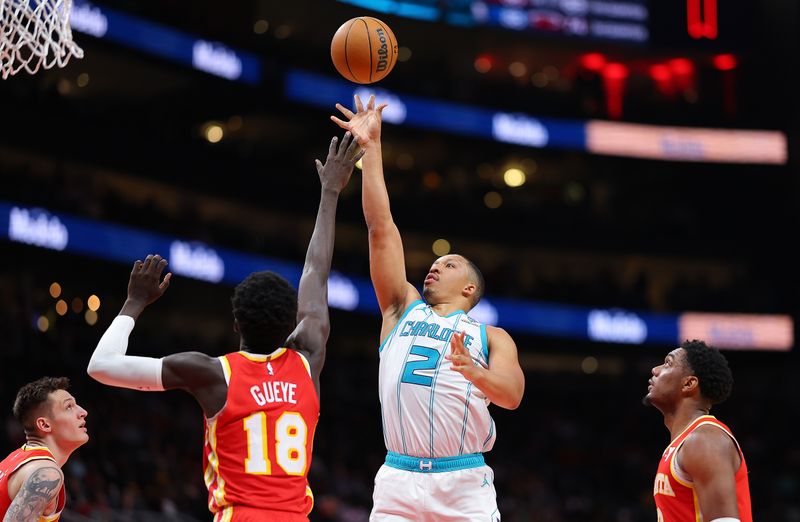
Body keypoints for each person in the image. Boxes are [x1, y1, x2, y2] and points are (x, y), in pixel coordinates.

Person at [86, 131, 363, 522]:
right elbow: (316, 272)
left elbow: (100, 366)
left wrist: (134, 302)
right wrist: (330, 193)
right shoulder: (308, 357)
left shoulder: (211, 372)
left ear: (235, 324)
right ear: (292, 324)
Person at [332, 94, 525, 521]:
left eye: (449, 264)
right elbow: (380, 229)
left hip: (462, 481)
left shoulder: (490, 337)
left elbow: (511, 396)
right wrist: (373, 149)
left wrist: (475, 371)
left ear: (471, 287)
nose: (435, 268)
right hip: (398, 478)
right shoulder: (402, 309)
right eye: (434, 264)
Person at [644, 339, 752, 522]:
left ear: (689, 384)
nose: (655, 369)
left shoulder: (705, 439)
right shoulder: (685, 442)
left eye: (668, 363)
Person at [1, 377, 89, 522]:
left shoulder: (14, 459)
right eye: (69, 407)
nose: (83, 412)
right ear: (45, 425)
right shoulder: (47, 472)